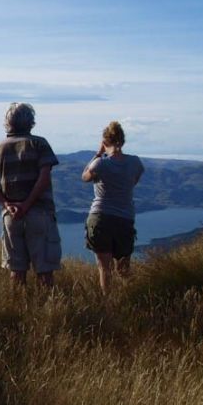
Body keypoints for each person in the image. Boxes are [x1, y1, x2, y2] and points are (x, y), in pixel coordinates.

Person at [0, 103, 62, 287]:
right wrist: (26, 205)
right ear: (31, 122)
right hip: (39, 214)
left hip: (11, 217)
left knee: (16, 270)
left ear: (8, 122)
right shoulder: (39, 144)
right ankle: (48, 311)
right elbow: (44, 180)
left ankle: (17, 309)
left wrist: (7, 205)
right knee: (44, 270)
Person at [81, 121, 144, 294]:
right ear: (122, 141)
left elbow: (84, 177)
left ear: (104, 142)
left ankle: (107, 304)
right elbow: (133, 182)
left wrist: (97, 154)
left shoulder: (100, 163)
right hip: (125, 218)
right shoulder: (135, 163)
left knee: (104, 269)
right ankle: (129, 299)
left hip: (100, 218)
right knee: (124, 269)